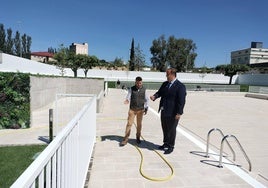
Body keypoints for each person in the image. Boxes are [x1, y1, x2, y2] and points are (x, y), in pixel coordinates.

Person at [150, 68, 186, 154]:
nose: (166, 76)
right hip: (164, 110)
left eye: (167, 74)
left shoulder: (180, 86)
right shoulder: (165, 84)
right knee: (165, 128)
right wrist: (155, 96)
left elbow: (181, 101)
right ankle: (165, 143)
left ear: (172, 75)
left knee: (172, 129)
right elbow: (160, 92)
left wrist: (179, 112)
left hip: (173, 112)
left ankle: (171, 146)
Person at [120, 76, 149, 146]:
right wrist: (127, 100)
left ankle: (138, 137)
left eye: (140, 83)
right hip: (132, 110)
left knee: (139, 125)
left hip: (140, 110)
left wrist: (146, 107)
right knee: (129, 124)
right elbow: (129, 95)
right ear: (135, 82)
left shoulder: (144, 89)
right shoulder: (132, 89)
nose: (139, 84)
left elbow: (146, 99)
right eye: (138, 83)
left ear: (142, 82)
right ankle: (125, 139)